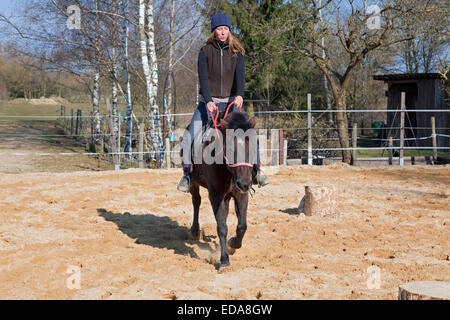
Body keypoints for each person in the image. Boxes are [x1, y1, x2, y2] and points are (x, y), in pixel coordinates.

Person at [177, 12, 269, 192]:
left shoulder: (238, 52)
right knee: (190, 135)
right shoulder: (205, 52)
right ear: (214, 31)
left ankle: (257, 170)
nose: (223, 32)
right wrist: (209, 100)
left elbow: (240, 78)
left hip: (231, 103)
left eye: (226, 29)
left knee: (249, 133)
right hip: (208, 103)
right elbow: (203, 78)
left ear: (229, 31)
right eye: (220, 29)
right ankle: (187, 175)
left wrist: (239, 95)